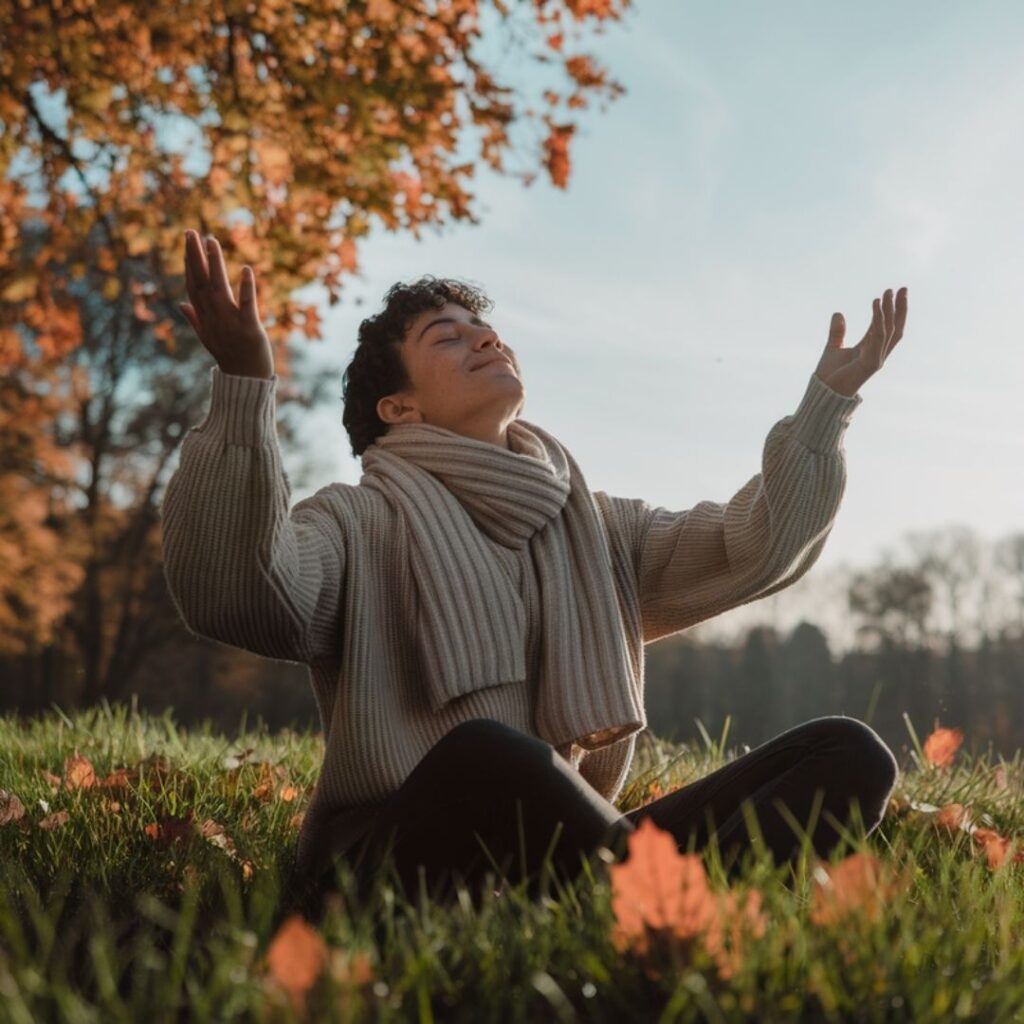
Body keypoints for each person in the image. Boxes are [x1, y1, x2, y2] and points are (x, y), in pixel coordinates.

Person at [165, 229, 908, 914]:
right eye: (445, 337)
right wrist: (243, 385)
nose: (484, 337)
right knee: (489, 754)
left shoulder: (597, 528)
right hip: (391, 867)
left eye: (483, 328)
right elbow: (241, 594)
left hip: (559, 857)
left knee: (844, 753)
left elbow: (755, 548)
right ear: (399, 407)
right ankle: (661, 908)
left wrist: (827, 407)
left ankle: (626, 903)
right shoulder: (355, 522)